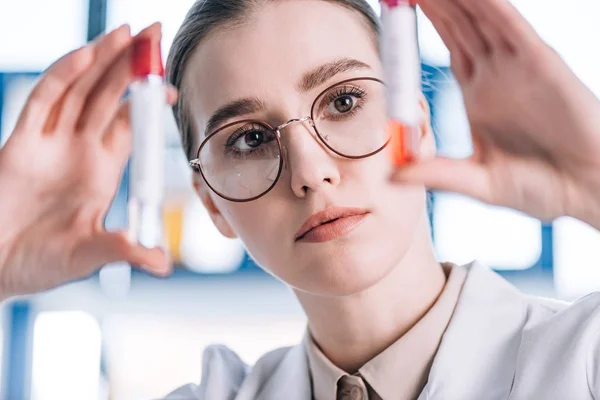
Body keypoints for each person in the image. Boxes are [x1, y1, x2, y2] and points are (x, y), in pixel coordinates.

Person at [0, 0, 599, 398]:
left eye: (343, 102)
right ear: (211, 203)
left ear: (415, 118)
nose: (310, 174)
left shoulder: (583, 361)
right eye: (249, 140)